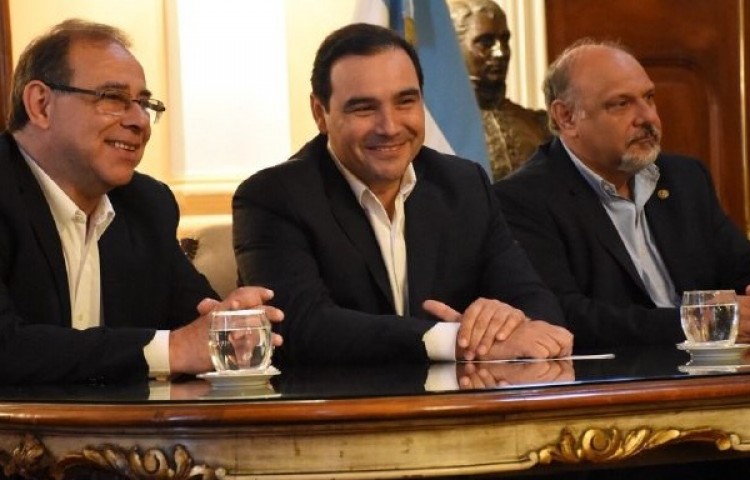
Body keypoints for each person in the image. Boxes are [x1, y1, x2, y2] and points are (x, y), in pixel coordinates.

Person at [233, 23, 572, 368]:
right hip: (337, 401)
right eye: (364, 108)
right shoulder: (273, 197)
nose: (390, 126)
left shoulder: (463, 184)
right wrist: (452, 340)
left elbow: (539, 306)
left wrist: (505, 321)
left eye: (405, 102)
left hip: (460, 399)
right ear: (321, 113)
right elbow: (302, 328)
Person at [0, 19, 283, 385]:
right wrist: (172, 350)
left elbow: (196, 322)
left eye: (145, 104)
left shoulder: (146, 205)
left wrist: (232, 325)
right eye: (113, 98)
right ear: (41, 105)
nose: (139, 121)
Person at [494, 39, 750, 349]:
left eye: (649, 98)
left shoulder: (685, 178)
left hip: (713, 367)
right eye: (621, 104)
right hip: (618, 374)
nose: (647, 117)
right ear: (567, 117)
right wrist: (699, 324)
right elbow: (563, 315)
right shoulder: (521, 199)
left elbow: (739, 265)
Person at [448, 0, 551, 181]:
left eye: (504, 40)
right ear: (455, 47)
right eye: (485, 43)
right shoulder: (441, 130)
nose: (501, 52)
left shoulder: (539, 125)